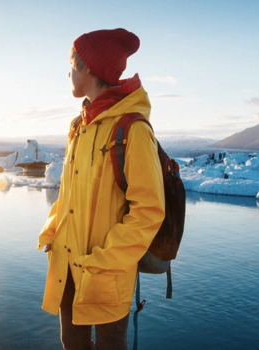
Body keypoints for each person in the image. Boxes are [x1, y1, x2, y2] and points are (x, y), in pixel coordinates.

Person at [38, 28, 166, 350]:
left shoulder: (131, 129)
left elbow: (149, 211)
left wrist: (107, 259)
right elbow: (67, 193)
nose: (69, 73)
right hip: (68, 268)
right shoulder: (78, 126)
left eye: (73, 65)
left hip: (106, 273)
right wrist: (52, 233)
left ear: (89, 70)